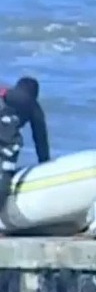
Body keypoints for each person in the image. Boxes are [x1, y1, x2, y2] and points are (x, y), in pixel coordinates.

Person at [0, 77, 50, 211]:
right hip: (8, 140)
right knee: (5, 173)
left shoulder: (8, 93)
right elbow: (40, 139)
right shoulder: (34, 107)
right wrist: (44, 163)